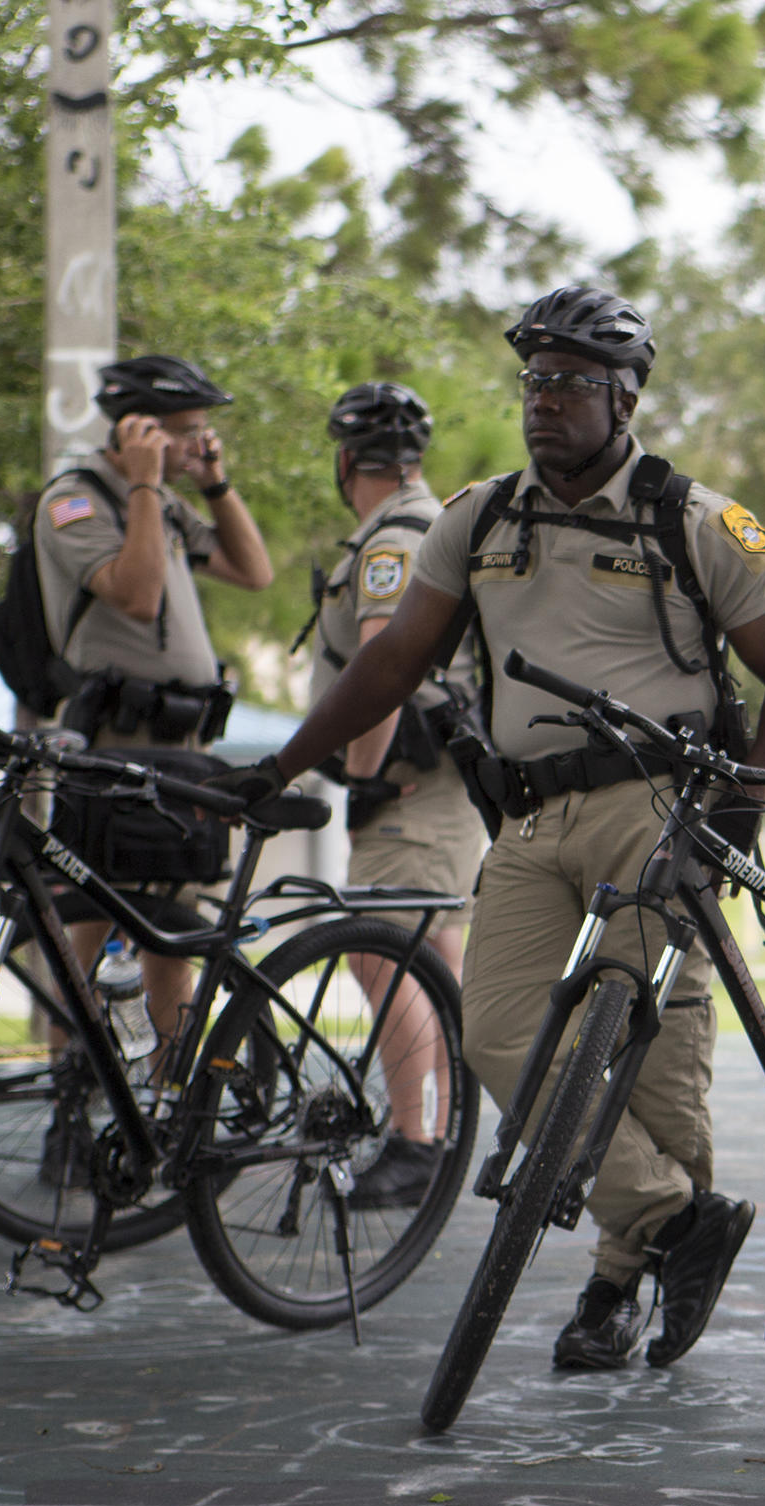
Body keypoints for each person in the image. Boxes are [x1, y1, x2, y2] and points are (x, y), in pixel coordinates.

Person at [213, 286, 765, 1373]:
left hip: (661, 802)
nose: (543, 402)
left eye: (571, 383)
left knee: (653, 1054)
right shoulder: (479, 517)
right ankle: (681, 1221)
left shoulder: (691, 518)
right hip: (532, 815)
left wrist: (736, 815)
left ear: (626, 395)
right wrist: (278, 765)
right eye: (533, 381)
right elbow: (388, 665)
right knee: (498, 1033)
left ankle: (611, 1286)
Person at [34, 355, 273, 1078]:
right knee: (86, 925)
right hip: (110, 747)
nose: (199, 443)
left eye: (204, 431)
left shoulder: (165, 503)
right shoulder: (76, 501)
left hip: (181, 748)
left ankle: (168, 1101)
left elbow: (252, 571)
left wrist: (213, 483)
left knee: (173, 935)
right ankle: (69, 1100)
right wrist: (142, 480)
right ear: (137, 431)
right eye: (186, 432)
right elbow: (135, 595)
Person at [303, 380, 489, 1208]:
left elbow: (383, 664)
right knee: (433, 961)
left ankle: (417, 1142)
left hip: (411, 787)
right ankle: (440, 1139)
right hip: (442, 789)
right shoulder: (428, 521)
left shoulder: (395, 534)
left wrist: (362, 773)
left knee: (378, 952)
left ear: (347, 463)